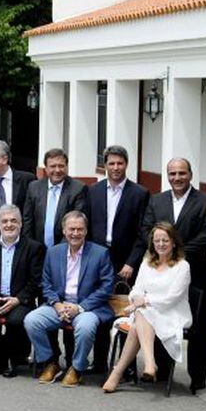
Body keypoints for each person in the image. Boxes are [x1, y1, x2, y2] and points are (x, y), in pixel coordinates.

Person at [135, 158, 206, 391]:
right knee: (159, 314)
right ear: (167, 176)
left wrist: (175, 255)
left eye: (182, 173)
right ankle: (161, 370)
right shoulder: (157, 200)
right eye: (172, 174)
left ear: (190, 174)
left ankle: (198, 377)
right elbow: (146, 230)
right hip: (161, 272)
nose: (177, 178)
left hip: (195, 272)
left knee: (200, 328)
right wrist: (162, 255)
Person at [23, 211, 114, 387]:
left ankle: (77, 368)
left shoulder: (100, 253)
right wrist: (56, 304)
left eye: (80, 229)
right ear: (64, 231)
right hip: (59, 305)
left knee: (86, 327)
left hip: (87, 308)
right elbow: (46, 283)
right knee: (32, 320)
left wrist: (79, 308)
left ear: (86, 231)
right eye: (71, 229)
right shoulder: (53, 252)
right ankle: (50, 362)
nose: (75, 233)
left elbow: (106, 287)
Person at [103, 222, 192, 393]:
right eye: (157, 240)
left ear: (173, 242)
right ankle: (149, 364)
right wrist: (137, 298)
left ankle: (120, 372)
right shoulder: (146, 263)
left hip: (172, 313)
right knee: (141, 316)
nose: (160, 244)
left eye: (165, 240)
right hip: (147, 312)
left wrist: (144, 301)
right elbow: (136, 289)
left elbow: (172, 298)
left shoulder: (183, 266)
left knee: (140, 315)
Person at [86, 144, 149, 372]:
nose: (115, 168)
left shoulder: (139, 193)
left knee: (126, 311)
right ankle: (100, 362)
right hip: (98, 260)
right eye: (111, 163)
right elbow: (88, 229)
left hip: (125, 262)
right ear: (105, 166)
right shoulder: (92, 191)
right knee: (101, 310)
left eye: (120, 163)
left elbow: (143, 234)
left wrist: (132, 262)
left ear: (126, 165)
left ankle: (128, 365)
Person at [0, 205, 45, 377]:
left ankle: (14, 356)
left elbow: (36, 281)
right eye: (4, 221)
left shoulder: (34, 248)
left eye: (13, 221)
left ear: (21, 224)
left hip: (19, 299)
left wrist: (18, 299)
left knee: (16, 320)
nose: (9, 225)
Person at [22, 148, 89, 249]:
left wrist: (57, 251)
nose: (57, 170)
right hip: (37, 249)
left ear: (67, 167)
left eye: (61, 166)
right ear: (46, 168)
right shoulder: (34, 187)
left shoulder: (78, 189)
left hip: (65, 249)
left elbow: (76, 223)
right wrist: (31, 247)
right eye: (53, 166)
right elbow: (28, 221)